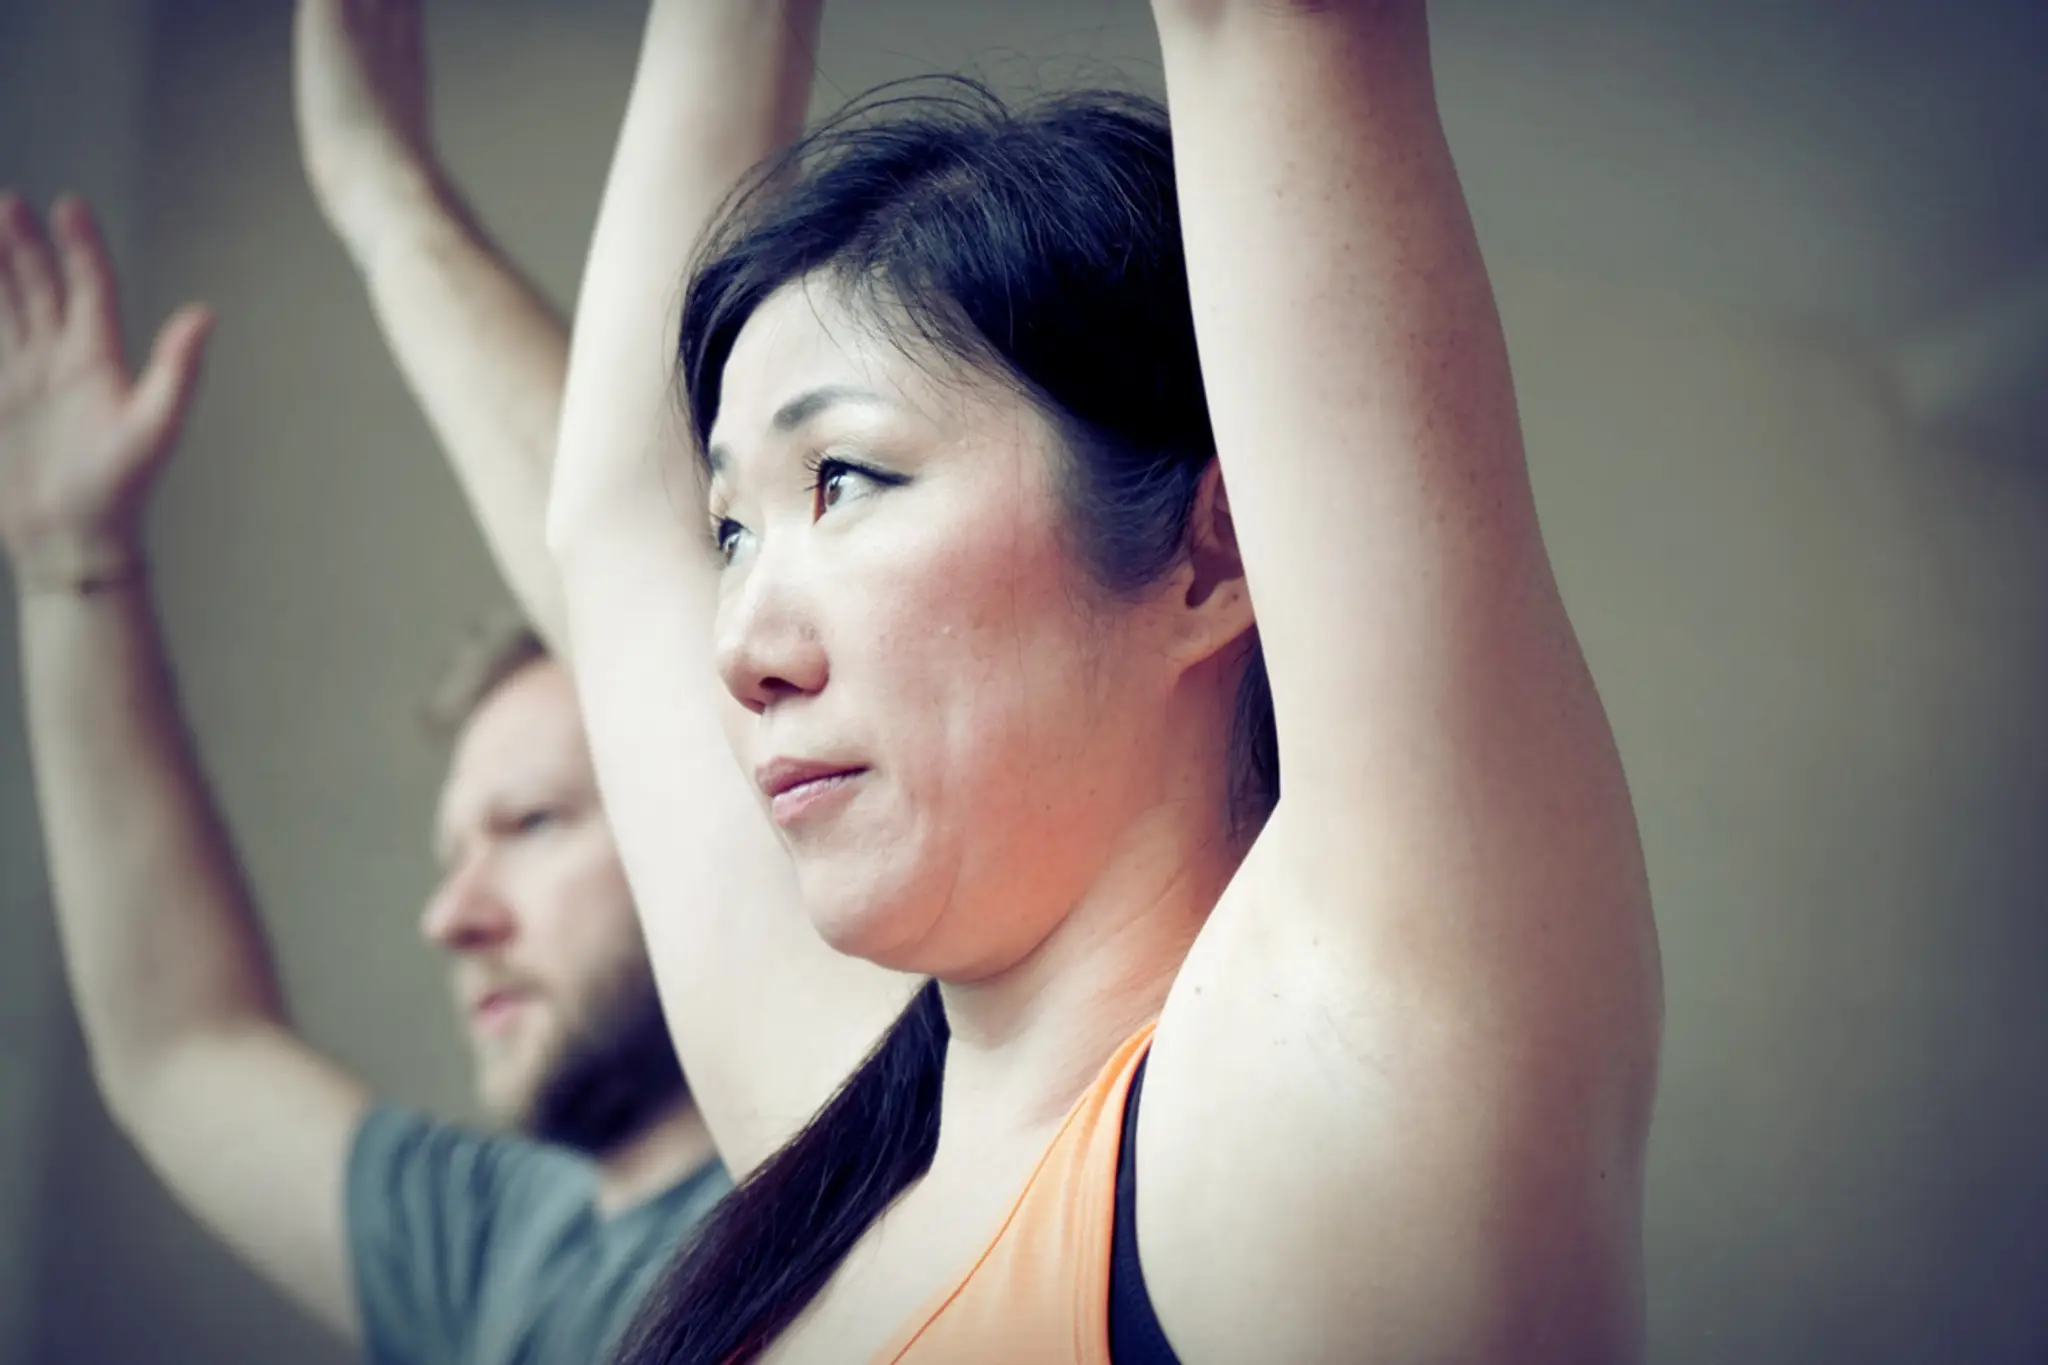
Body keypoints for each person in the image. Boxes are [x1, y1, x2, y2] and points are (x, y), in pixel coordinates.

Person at [537, 0, 1665, 1362]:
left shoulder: (1332, 1088)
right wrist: (377, 188)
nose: (738, 652)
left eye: (844, 479)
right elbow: (613, 520)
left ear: (1212, 556)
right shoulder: (842, 1153)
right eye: (732, 532)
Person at [0, 3, 742, 1359]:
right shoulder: (488, 1247)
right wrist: (69, 565)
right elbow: (181, 1046)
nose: (451, 918)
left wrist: (382, 190)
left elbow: (657, 630)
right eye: (455, 852)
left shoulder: (878, 1171)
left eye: (531, 824)